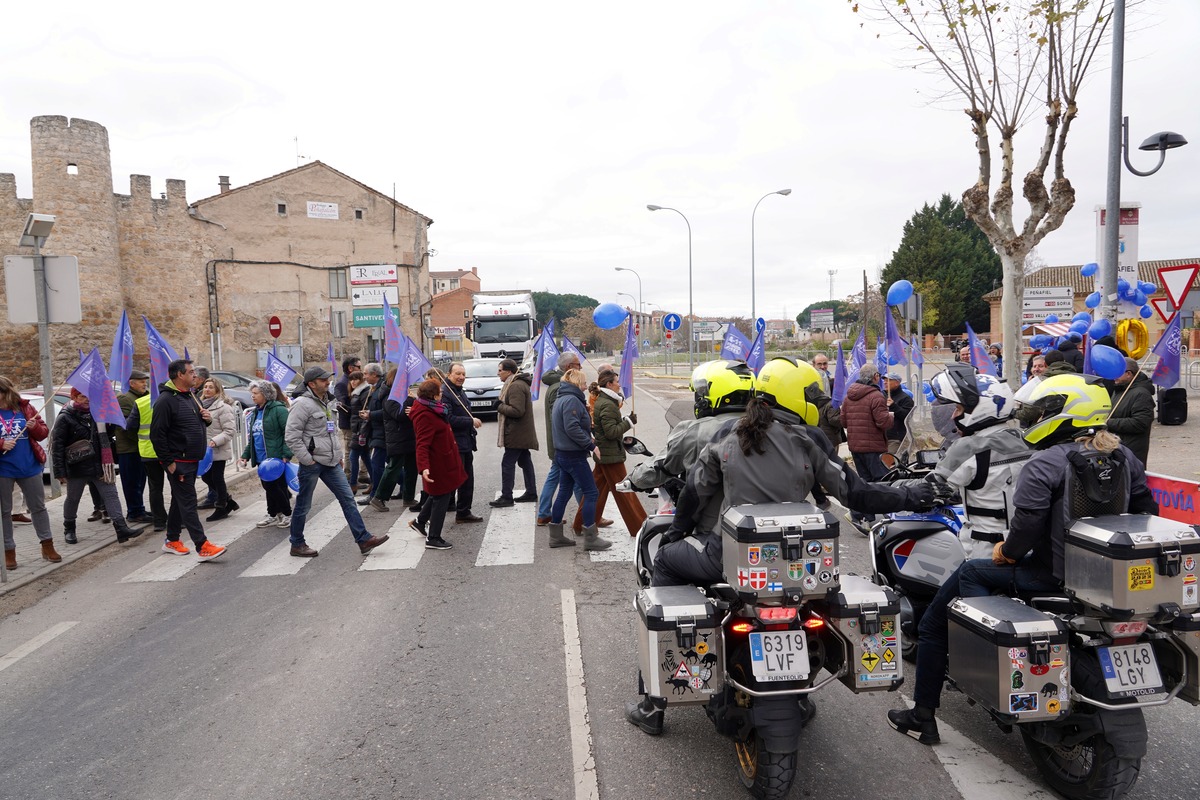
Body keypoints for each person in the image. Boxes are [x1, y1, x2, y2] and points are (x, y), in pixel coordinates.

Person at [629, 357, 934, 735]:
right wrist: (915, 494)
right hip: (803, 568)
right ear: (795, 397)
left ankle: (653, 704)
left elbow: (693, 492)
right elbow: (859, 494)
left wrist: (677, 533)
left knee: (666, 563)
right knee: (817, 607)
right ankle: (800, 691)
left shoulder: (728, 438)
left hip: (727, 561)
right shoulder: (807, 441)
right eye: (812, 394)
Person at [887, 374, 1157, 745]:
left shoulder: (1042, 460)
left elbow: (1025, 523)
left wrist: (1007, 552)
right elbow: (1146, 510)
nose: (1032, 417)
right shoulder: (1122, 455)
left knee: (938, 620)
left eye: (1041, 411)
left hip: (1033, 567)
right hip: (1100, 576)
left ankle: (924, 714)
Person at [625, 360, 756, 549]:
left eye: (702, 393)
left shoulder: (696, 431)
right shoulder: (770, 427)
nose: (699, 398)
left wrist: (636, 478)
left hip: (715, 534)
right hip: (764, 530)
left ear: (716, 394)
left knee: (664, 563)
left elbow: (664, 465)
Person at [284, 366, 389, 558]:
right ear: (312, 383)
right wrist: (307, 460)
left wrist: (338, 455)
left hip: (331, 462)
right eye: (323, 379)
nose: (327, 382)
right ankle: (297, 544)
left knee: (348, 499)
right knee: (304, 505)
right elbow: (291, 437)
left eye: (327, 379)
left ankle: (363, 539)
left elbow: (331, 433)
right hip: (312, 463)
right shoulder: (302, 404)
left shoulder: (327, 401)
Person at [928, 364, 1030, 559]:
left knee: (948, 589)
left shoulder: (968, 447)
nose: (953, 415)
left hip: (985, 550)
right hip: (1026, 545)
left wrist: (894, 489)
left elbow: (932, 487)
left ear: (980, 409)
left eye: (958, 408)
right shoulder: (1025, 438)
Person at [150, 359, 226, 561]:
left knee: (179, 500)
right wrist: (168, 462)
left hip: (192, 459)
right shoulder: (165, 401)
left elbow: (197, 422)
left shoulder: (191, 395)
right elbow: (157, 435)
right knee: (189, 502)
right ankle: (202, 546)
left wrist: (207, 418)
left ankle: (171, 540)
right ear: (179, 375)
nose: (195, 375)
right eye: (191, 372)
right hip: (178, 460)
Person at [51, 386, 145, 549]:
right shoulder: (65, 417)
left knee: (111, 495)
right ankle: (69, 529)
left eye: (89, 396)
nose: (87, 399)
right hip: (77, 466)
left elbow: (108, 435)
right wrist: (59, 471)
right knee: (73, 499)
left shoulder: (99, 414)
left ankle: (121, 529)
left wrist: (110, 419)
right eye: (82, 396)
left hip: (100, 464)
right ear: (74, 397)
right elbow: (58, 446)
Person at [572, 368, 646, 536]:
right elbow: (611, 432)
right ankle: (640, 527)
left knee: (595, 492)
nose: (619, 385)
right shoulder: (607, 404)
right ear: (609, 384)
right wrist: (628, 422)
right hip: (610, 456)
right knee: (625, 492)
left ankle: (580, 523)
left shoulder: (605, 401)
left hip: (605, 454)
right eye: (617, 382)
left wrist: (625, 422)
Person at [548, 368, 610, 550]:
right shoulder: (571, 400)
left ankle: (556, 536)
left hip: (562, 453)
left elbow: (570, 427)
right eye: (583, 383)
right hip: (573, 456)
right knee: (591, 493)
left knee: (564, 493)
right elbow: (572, 428)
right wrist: (591, 445)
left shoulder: (562, 398)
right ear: (576, 384)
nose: (585, 387)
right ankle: (591, 538)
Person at [1, 376, 58, 568]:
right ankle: (9, 551)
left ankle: (47, 545)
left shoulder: (24, 408)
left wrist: (36, 428)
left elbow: (43, 432)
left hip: (29, 466)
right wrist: (1, 443)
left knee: (38, 507)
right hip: (3, 469)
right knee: (5, 512)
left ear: (5, 392)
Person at [407, 378, 467, 550]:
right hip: (437, 463)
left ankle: (420, 522)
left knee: (437, 494)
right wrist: (424, 467)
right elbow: (422, 444)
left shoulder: (431, 408)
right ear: (433, 395)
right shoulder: (425, 414)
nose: (442, 394)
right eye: (440, 392)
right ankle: (433, 537)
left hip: (443, 459)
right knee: (442, 496)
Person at [840, 363, 894, 526]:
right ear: (875, 377)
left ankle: (863, 515)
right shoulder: (876, 396)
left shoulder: (849, 396)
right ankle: (875, 516)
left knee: (864, 481)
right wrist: (892, 416)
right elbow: (883, 422)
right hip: (874, 447)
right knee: (880, 481)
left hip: (856, 446)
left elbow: (843, 421)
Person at [537, 351, 583, 527]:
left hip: (560, 444)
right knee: (579, 481)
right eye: (578, 365)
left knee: (557, 477)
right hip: (563, 445)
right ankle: (587, 515)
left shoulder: (557, 384)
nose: (580, 368)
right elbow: (564, 420)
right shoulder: (559, 388)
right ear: (570, 367)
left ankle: (544, 513)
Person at [240, 381, 293, 527]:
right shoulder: (256, 412)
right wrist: (246, 454)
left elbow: (288, 433)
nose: (253, 396)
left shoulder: (279, 410)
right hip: (261, 458)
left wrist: (286, 453)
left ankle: (287, 514)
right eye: (252, 393)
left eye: (256, 393)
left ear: (266, 394)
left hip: (275, 456)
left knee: (276, 487)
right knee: (268, 487)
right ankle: (273, 514)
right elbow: (253, 436)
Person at [490, 358, 539, 507]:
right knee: (525, 461)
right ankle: (531, 492)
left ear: (509, 371)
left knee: (507, 464)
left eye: (500, 370)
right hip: (520, 432)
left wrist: (499, 406)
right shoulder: (514, 383)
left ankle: (506, 496)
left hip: (516, 433)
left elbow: (517, 411)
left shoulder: (515, 386)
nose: (498, 373)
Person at [441, 363, 484, 523]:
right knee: (462, 479)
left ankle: (458, 508)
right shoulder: (446, 393)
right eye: (457, 374)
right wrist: (470, 421)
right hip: (455, 443)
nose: (461, 377)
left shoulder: (458, 391)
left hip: (465, 442)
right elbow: (448, 418)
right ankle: (462, 511)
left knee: (463, 478)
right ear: (448, 374)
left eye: (463, 374)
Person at [125, 376, 168, 532]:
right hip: (170, 452)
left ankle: (159, 521)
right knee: (178, 487)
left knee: (155, 488)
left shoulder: (141, 402)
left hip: (148, 452)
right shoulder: (172, 401)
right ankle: (179, 519)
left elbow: (129, 427)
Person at [196, 377, 240, 522]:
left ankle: (221, 507)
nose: (207, 389)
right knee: (206, 476)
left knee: (216, 477)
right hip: (204, 450)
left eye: (211, 387)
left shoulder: (223, 407)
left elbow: (229, 431)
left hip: (217, 449)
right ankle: (228, 500)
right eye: (206, 387)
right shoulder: (200, 405)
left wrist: (215, 441)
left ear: (217, 390)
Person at [114, 369, 152, 524]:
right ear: (132, 383)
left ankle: (139, 509)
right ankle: (134, 512)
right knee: (132, 482)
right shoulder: (125, 398)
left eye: (145, 381)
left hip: (141, 447)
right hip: (129, 448)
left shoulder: (146, 397)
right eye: (141, 381)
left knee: (140, 481)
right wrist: (139, 440)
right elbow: (125, 425)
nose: (145, 384)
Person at [1105, 356, 1154, 469]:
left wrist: (1108, 422)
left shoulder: (1141, 394)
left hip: (1131, 453)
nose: (1114, 376)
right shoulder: (1119, 390)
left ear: (1129, 374)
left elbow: (1140, 423)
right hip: (1117, 448)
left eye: (1117, 373)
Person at [357, 363, 388, 502]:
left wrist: (370, 414)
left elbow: (387, 411)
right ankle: (405, 484)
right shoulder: (374, 388)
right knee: (390, 464)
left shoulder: (383, 388)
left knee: (377, 464)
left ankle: (375, 495)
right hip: (376, 431)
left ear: (374, 374)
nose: (364, 376)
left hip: (383, 432)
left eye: (366, 374)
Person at [334, 355, 362, 480]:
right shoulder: (342, 383)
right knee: (350, 451)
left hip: (358, 421)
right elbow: (342, 405)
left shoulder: (357, 381)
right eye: (359, 367)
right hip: (349, 423)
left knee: (362, 449)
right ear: (351, 368)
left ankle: (362, 474)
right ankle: (349, 477)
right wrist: (356, 411)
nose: (361, 369)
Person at [884, 373, 913, 455]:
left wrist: (893, 406)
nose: (885, 383)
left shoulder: (905, 398)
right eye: (884, 381)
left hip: (895, 437)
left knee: (889, 462)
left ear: (896, 383)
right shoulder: (882, 396)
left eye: (888, 381)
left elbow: (906, 416)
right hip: (881, 437)